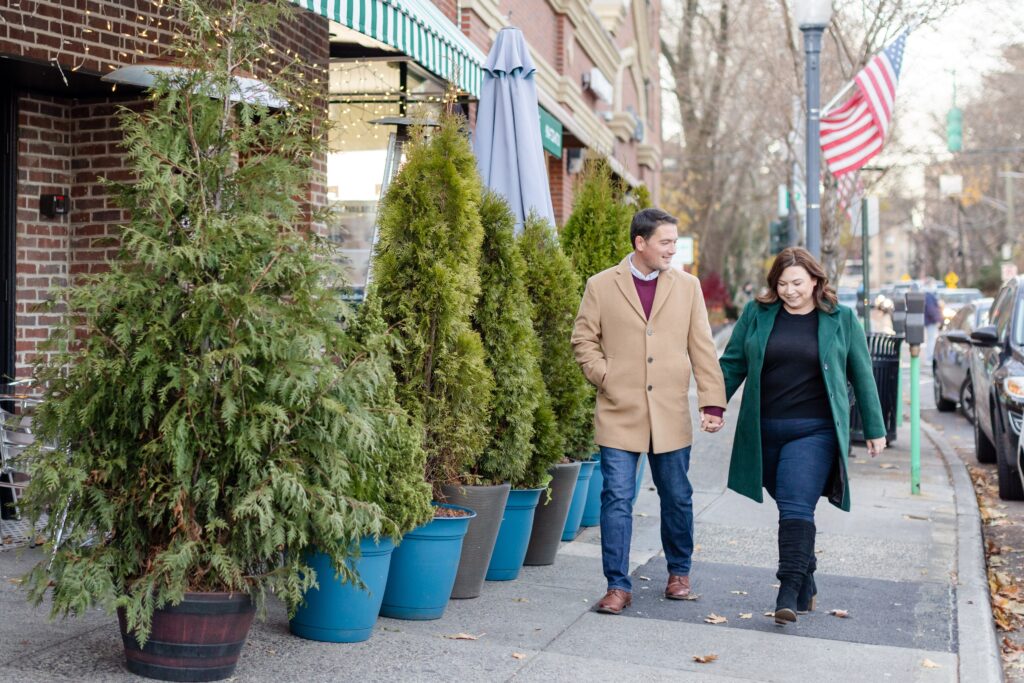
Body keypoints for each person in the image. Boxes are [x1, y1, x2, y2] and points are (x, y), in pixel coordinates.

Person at [718, 247, 886, 626]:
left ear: (814, 280)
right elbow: (733, 364)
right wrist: (714, 406)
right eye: (782, 284)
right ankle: (807, 575)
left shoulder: (840, 319)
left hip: (815, 431)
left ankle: (788, 591)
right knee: (791, 508)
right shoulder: (757, 315)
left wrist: (874, 429)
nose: (790, 291)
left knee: (796, 507)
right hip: (764, 432)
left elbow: (862, 372)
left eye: (797, 282)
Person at [572, 208, 727, 616]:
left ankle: (679, 573)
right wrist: (606, 376)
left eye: (675, 242)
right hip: (619, 410)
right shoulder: (601, 285)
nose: (672, 250)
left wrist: (712, 401)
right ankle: (617, 585)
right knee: (617, 498)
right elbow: (583, 340)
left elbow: (702, 347)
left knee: (677, 496)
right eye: (665, 242)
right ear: (640, 243)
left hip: (670, 412)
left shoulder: (688, 287)